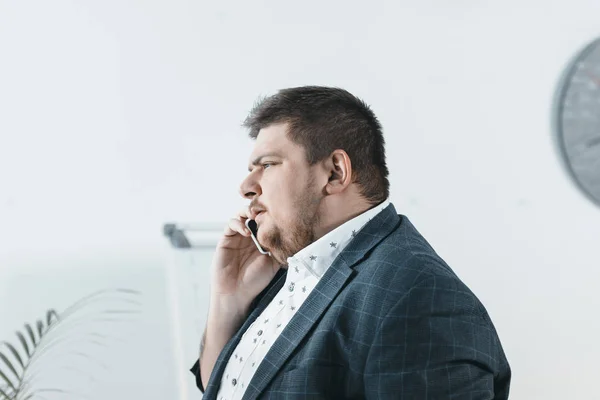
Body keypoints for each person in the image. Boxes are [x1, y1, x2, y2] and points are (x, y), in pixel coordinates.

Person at [190, 86, 511, 399]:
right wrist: (228, 299)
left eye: (268, 165)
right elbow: (223, 387)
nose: (246, 186)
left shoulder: (419, 297)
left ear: (334, 172)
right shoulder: (290, 267)